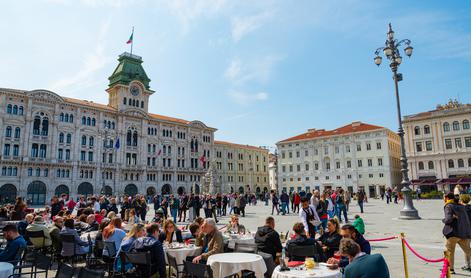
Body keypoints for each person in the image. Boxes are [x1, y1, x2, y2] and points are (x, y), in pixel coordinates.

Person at [442, 192, 471, 274]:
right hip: (463, 233)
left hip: (453, 233)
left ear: (447, 198)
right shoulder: (461, 206)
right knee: (468, 251)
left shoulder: (448, 206)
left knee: (450, 251)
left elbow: (448, 219)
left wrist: (443, 220)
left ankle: (451, 269)